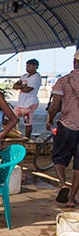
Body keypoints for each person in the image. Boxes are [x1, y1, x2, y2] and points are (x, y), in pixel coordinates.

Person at [46, 50, 79, 207]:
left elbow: (54, 106)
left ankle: (63, 184)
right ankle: (71, 199)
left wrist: (50, 120)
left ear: (74, 62)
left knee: (59, 157)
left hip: (67, 126)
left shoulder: (63, 81)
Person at [13, 59, 41, 138]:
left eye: (29, 66)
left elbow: (28, 89)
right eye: (26, 66)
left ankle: (27, 138)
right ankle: (15, 134)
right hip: (20, 103)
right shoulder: (24, 76)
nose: (27, 68)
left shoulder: (36, 77)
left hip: (28, 104)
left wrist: (21, 87)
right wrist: (23, 86)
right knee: (12, 119)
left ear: (35, 67)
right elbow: (15, 86)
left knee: (27, 123)